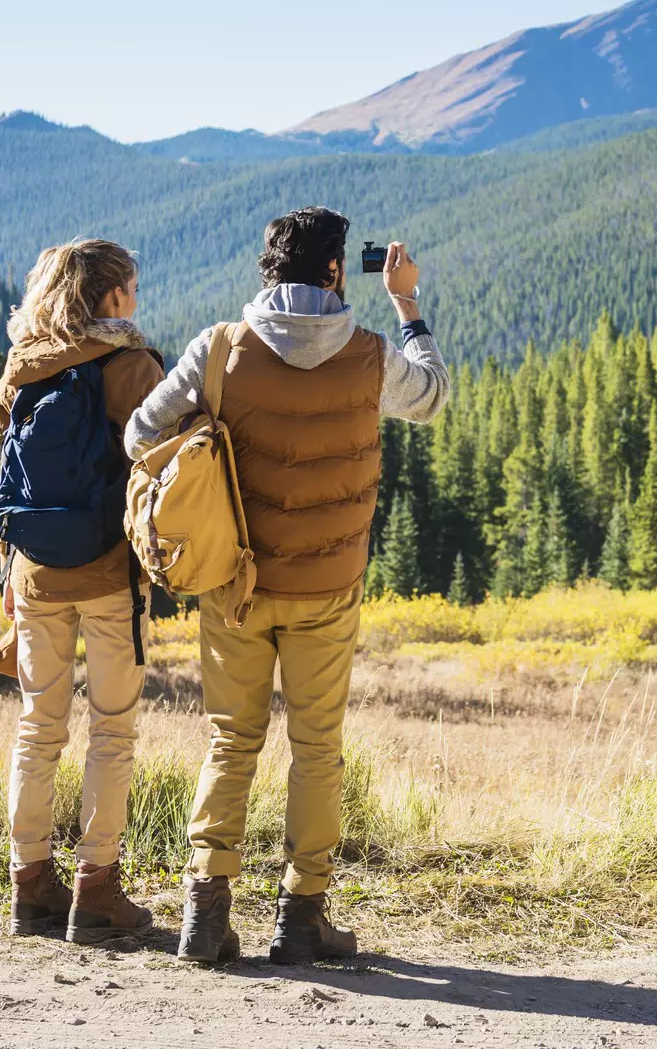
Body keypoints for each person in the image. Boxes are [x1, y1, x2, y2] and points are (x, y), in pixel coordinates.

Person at [123, 207, 448, 965]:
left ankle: (206, 917)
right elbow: (431, 397)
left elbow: (140, 435)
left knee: (231, 740)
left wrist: (209, 434)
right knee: (317, 749)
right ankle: (302, 916)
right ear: (337, 272)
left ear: (269, 270)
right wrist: (407, 305)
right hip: (327, 587)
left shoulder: (218, 349)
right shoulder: (370, 356)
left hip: (234, 579)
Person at [0, 238, 165, 942]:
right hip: (107, 573)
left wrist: (7, 570)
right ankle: (97, 889)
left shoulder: (22, 369)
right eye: (132, 287)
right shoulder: (130, 365)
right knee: (112, 730)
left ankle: (30, 887)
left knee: (38, 728)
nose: (137, 300)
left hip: (33, 573)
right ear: (112, 296)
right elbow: (165, 468)